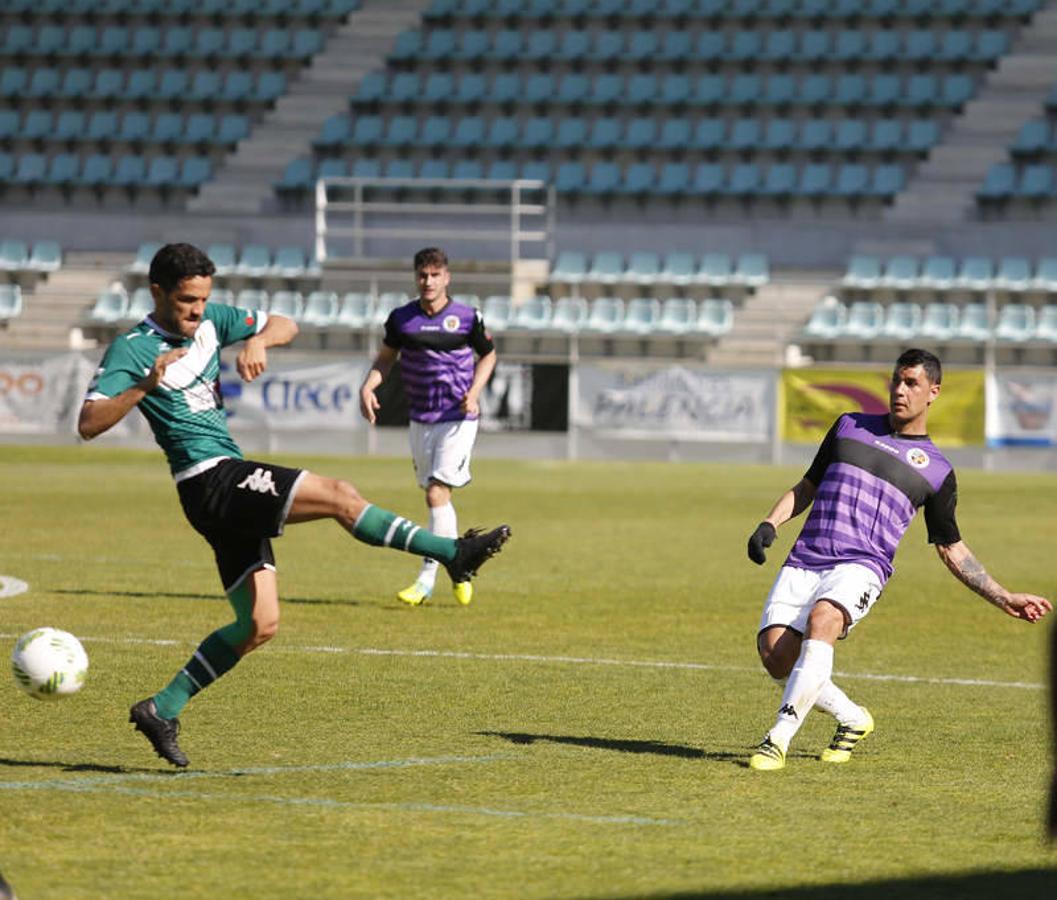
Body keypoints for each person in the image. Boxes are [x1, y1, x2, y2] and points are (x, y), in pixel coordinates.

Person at [78, 243, 510, 768]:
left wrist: (258, 339)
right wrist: (145, 386)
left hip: (222, 483)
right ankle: (450, 552)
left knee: (260, 624)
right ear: (157, 293)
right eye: (187, 300)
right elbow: (89, 424)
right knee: (339, 495)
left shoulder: (213, 320)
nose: (196, 310)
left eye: (203, 299)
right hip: (208, 479)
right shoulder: (132, 348)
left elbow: (286, 323)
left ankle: (161, 708)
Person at [744, 348, 1051, 771]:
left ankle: (776, 739)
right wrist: (769, 523)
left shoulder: (937, 471)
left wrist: (1003, 596)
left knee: (825, 619)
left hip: (862, 566)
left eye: (912, 383)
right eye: (896, 381)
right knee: (775, 655)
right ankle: (852, 718)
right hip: (807, 557)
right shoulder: (848, 426)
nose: (900, 391)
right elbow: (806, 486)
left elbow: (951, 547)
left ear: (933, 392)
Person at [359, 247, 498, 607]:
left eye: (435, 275)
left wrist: (475, 392)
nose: (428, 281)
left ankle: (425, 580)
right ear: (415, 277)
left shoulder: (467, 318)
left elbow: (489, 355)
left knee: (436, 493)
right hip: (420, 420)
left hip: (458, 418)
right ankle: (459, 566)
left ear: (447, 278)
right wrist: (369, 384)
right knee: (437, 496)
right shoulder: (402, 319)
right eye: (423, 275)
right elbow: (385, 359)